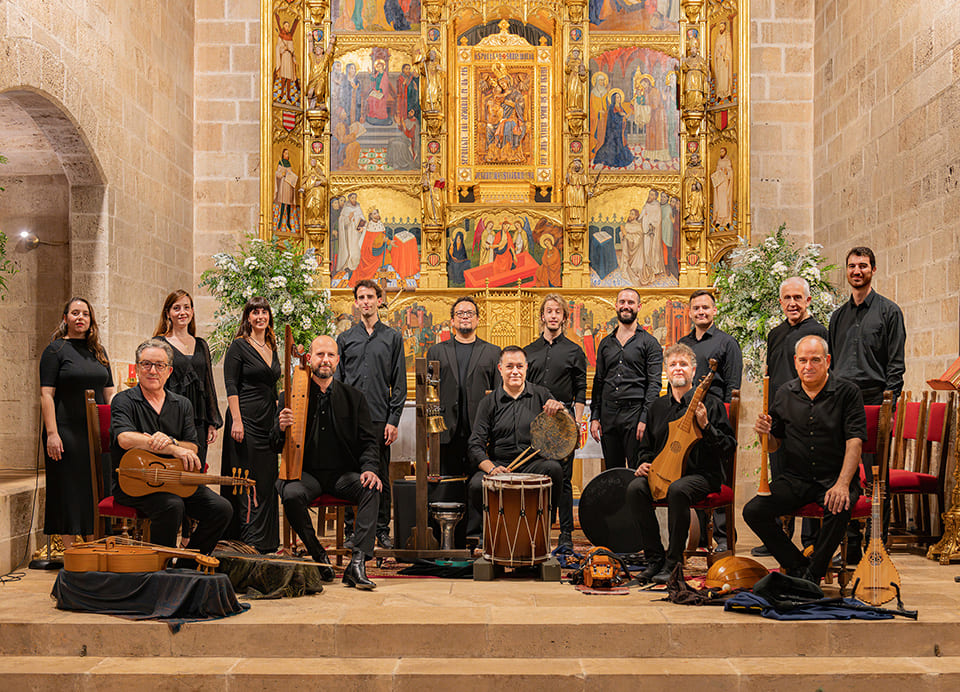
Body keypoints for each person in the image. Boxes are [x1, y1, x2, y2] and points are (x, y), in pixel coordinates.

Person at [744, 335, 867, 584]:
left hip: (835, 477)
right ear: (795, 362)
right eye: (802, 360)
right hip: (796, 479)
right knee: (754, 511)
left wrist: (843, 483)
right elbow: (775, 444)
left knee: (838, 506)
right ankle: (798, 566)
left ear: (827, 361)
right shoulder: (784, 393)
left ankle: (813, 576)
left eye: (815, 360)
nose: (808, 366)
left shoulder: (848, 392)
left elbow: (855, 441)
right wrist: (764, 434)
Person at [274, 336, 382, 589]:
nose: (325, 360)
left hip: (341, 475)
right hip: (306, 474)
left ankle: (357, 563)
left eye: (330, 355)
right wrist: (280, 428)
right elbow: (274, 444)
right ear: (309, 359)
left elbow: (368, 442)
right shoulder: (290, 396)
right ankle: (318, 554)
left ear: (338, 360)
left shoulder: (354, 397)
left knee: (372, 487)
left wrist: (369, 469)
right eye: (320, 354)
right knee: (290, 493)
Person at [626, 344, 737, 583]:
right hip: (664, 474)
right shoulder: (657, 408)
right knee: (635, 488)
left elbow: (728, 447)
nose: (678, 368)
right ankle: (655, 559)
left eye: (683, 364)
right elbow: (645, 449)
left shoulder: (711, 404)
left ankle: (673, 562)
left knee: (678, 489)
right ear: (666, 371)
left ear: (694, 370)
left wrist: (706, 425)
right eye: (673, 364)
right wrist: (644, 463)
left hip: (702, 476)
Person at [111, 339, 232, 556]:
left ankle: (187, 563)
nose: (153, 371)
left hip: (175, 481)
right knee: (172, 506)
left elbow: (192, 447)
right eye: (146, 364)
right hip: (135, 483)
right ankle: (161, 567)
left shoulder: (183, 404)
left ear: (169, 371)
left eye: (160, 365)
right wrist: (172, 448)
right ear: (137, 368)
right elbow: (125, 439)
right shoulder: (123, 400)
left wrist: (172, 442)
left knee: (221, 509)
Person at [828, 246, 905, 555]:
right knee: (843, 472)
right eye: (852, 266)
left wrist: (889, 407)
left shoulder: (889, 312)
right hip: (842, 402)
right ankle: (848, 542)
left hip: (875, 401)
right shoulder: (838, 317)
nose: (857, 271)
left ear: (873, 269)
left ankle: (876, 542)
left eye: (862, 265)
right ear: (847, 271)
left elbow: (896, 366)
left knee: (876, 477)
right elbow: (832, 365)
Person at [752, 276, 829, 557]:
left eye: (798, 298)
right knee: (780, 476)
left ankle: (812, 539)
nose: (792, 303)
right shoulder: (775, 334)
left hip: (809, 415)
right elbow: (771, 375)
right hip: (779, 415)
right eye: (787, 298)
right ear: (780, 301)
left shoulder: (818, 332)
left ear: (808, 300)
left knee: (808, 476)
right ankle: (780, 538)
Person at [336, 280, 406, 550]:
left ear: (379, 300)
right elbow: (338, 382)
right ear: (356, 302)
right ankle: (351, 530)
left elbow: (398, 383)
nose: (366, 301)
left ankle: (382, 530)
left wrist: (393, 420)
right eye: (361, 297)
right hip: (350, 419)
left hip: (379, 416)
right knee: (350, 474)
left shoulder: (392, 338)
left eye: (370, 297)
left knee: (380, 475)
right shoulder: (345, 339)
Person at [467, 347, 566, 537]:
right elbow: (475, 444)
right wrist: (491, 469)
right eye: (509, 366)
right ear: (500, 369)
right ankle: (483, 535)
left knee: (554, 469)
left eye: (519, 366)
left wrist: (561, 408)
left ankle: (544, 527)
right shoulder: (488, 403)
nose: (515, 371)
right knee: (477, 484)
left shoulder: (541, 394)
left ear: (526, 368)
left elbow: (564, 428)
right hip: (500, 464)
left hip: (533, 463)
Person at [40, 298, 116, 547]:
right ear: (65, 318)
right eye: (75, 313)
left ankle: (94, 549)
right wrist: (52, 433)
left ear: (91, 320)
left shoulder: (99, 351)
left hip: (96, 433)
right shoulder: (55, 350)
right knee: (69, 492)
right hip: (65, 431)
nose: (80, 317)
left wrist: (116, 426)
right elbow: (46, 395)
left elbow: (110, 393)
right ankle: (72, 554)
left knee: (96, 490)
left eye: (85, 313)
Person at [678, 289, 742, 552]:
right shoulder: (683, 343)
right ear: (690, 312)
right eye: (696, 308)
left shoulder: (727, 342)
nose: (701, 312)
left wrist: (719, 422)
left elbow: (733, 388)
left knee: (719, 474)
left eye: (705, 307)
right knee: (691, 471)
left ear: (714, 311)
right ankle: (700, 537)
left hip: (715, 416)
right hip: (687, 417)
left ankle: (725, 537)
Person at [524, 295, 587, 550]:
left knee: (564, 479)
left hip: (563, 422)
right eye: (549, 311)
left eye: (557, 312)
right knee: (536, 476)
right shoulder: (529, 351)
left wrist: (577, 423)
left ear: (564, 317)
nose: (553, 315)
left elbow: (580, 390)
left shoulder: (574, 351)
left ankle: (566, 534)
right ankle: (537, 530)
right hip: (534, 421)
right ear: (542, 316)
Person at [222, 297, 281, 553]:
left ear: (269, 316)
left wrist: (279, 415)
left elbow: (272, 386)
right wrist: (236, 420)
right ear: (248, 317)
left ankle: (266, 541)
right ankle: (246, 539)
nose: (260, 317)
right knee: (246, 479)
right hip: (244, 419)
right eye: (255, 312)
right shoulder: (239, 346)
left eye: (264, 312)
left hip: (267, 422)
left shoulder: (271, 345)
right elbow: (231, 384)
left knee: (266, 480)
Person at [427, 297, 501, 477]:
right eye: (460, 313)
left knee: (478, 483)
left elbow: (498, 393)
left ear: (477, 320)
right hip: (445, 429)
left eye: (470, 313)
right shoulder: (436, 351)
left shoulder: (493, 352)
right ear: (452, 320)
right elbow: (428, 390)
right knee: (447, 485)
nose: (465, 317)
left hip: (480, 430)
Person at [590, 288, 664, 469]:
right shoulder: (605, 343)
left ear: (639, 307)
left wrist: (645, 418)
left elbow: (654, 384)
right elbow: (598, 381)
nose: (626, 306)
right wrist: (595, 416)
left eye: (631, 302)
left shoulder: (650, 343)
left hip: (635, 414)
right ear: (616, 306)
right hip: (608, 414)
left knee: (636, 469)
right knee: (612, 470)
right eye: (622, 302)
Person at [153, 290, 222, 465]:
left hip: (199, 419)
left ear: (192, 311)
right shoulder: (159, 343)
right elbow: (156, 382)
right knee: (173, 467)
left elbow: (208, 383)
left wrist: (212, 421)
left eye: (186, 307)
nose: (182, 312)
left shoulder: (201, 344)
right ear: (168, 313)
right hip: (170, 416)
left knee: (196, 467)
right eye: (176, 308)